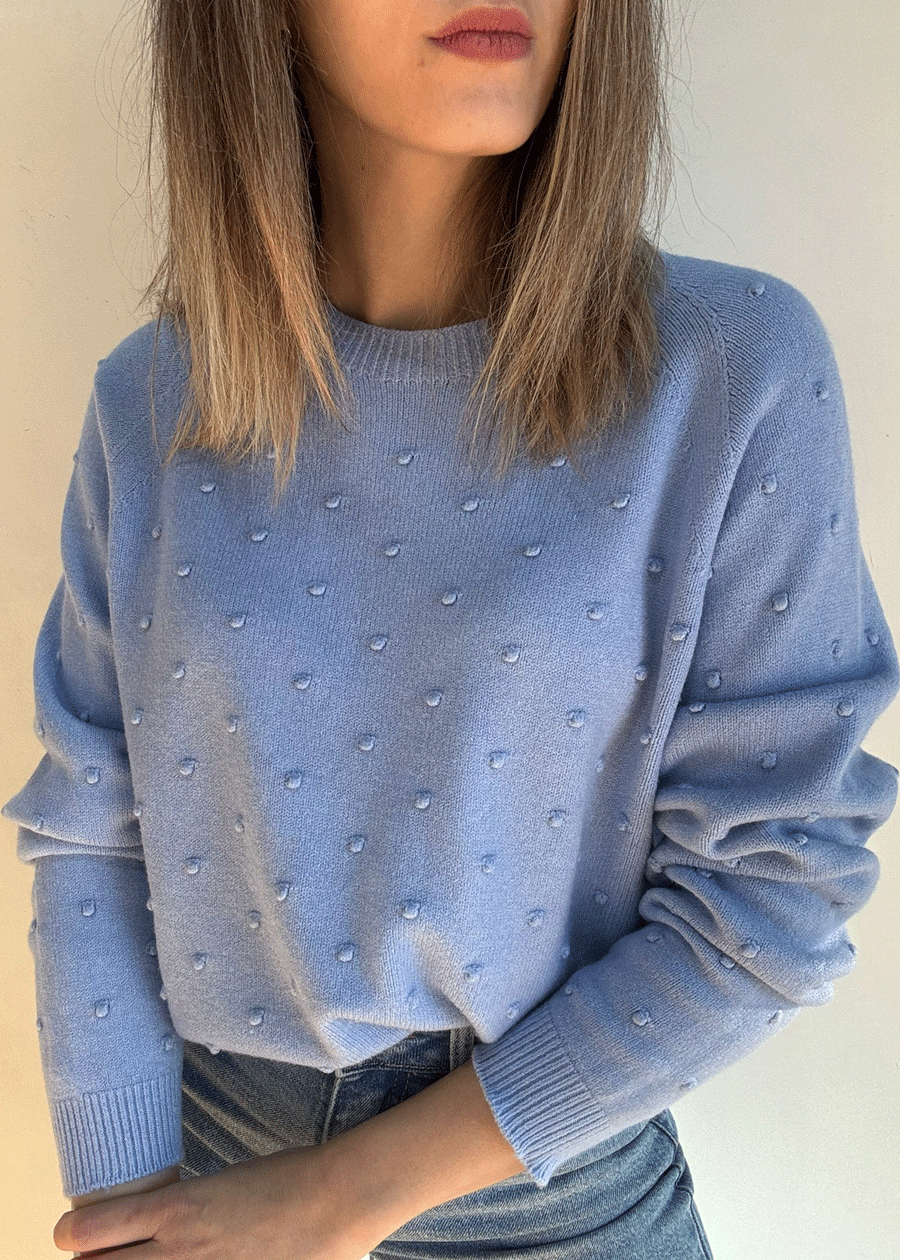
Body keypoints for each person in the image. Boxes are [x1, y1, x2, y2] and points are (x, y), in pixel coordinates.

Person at [4, 2, 898, 1257]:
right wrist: (126, 1216)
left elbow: (773, 888)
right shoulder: (152, 396)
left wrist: (334, 1201)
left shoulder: (733, 371)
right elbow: (92, 830)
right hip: (201, 1166)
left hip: (555, 1199)